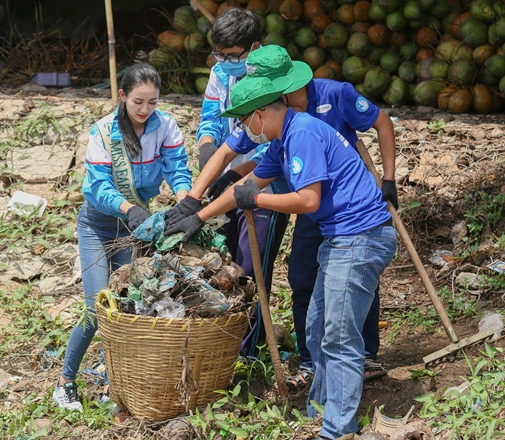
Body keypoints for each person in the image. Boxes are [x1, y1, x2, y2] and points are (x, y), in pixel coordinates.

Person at [165, 75, 397, 439]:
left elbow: (307, 201)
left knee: (338, 335)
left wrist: (255, 201)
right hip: (341, 238)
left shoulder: (303, 132)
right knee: (318, 327)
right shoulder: (281, 141)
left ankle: (338, 429)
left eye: (244, 122)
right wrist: (197, 214)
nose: (244, 130)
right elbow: (246, 186)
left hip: (361, 236)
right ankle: (320, 412)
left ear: (260, 114)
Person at [219, 44, 398, 386]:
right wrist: (197, 210)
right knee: (303, 280)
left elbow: (381, 123)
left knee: (355, 290)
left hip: (347, 211)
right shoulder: (280, 132)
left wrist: (388, 179)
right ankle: (312, 365)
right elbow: (247, 171)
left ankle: (360, 364)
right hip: (314, 212)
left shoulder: (329, 100)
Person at [53, 63, 192, 410]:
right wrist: (130, 208)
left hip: (137, 228)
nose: (145, 110)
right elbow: (98, 188)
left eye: (153, 102)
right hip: (100, 226)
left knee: (131, 308)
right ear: (122, 97)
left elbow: (177, 168)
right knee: (97, 308)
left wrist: (185, 200)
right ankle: (65, 381)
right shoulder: (102, 132)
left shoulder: (166, 126)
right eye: (138, 102)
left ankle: (117, 381)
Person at [164, 9, 288, 355]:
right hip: (223, 186)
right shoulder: (220, 74)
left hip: (263, 190)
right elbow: (212, 123)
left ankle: (247, 354)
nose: (225, 62)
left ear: (255, 47)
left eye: (234, 56)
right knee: (224, 268)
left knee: (251, 272)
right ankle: (221, 350)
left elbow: (274, 150)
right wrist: (207, 154)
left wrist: (237, 172)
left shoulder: (272, 80)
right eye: (220, 54)